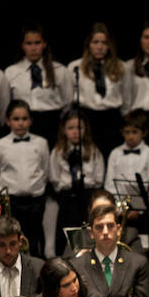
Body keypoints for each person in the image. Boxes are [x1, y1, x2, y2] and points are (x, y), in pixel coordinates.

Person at [69, 203, 149, 297]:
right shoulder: (76, 265)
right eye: (99, 227)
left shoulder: (138, 263)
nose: (105, 231)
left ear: (118, 230)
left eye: (110, 226)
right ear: (91, 233)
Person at [0, 100, 50, 256]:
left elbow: (45, 170)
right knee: (11, 237)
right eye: (16, 119)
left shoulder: (41, 143)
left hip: (35, 200)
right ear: (8, 121)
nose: (20, 123)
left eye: (24, 118)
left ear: (30, 120)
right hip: (12, 201)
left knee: (35, 239)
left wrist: (37, 189)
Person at [68, 23, 131, 156]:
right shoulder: (75, 67)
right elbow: (69, 98)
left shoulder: (120, 67)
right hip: (86, 119)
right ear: (88, 44)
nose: (99, 47)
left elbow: (127, 99)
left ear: (109, 45)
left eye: (104, 43)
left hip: (111, 119)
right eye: (95, 42)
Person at [48, 109, 105, 256]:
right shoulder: (57, 152)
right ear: (64, 130)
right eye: (70, 128)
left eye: (79, 128)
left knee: (87, 236)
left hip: (87, 197)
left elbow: (99, 178)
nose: (75, 132)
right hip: (67, 199)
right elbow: (54, 178)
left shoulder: (93, 151)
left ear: (85, 129)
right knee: (65, 238)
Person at [4, 24, 71, 145]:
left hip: (52, 124)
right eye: (29, 44)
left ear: (44, 44)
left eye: (37, 43)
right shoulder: (11, 72)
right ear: (22, 45)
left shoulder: (59, 70)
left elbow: (68, 102)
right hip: (23, 125)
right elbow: (6, 103)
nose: (33, 48)